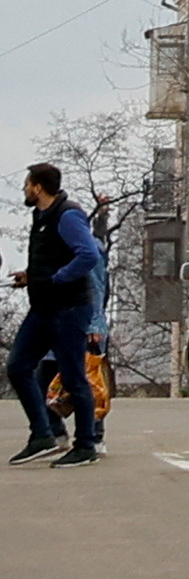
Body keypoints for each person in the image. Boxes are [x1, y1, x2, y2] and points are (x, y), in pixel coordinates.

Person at [7, 168, 101, 466]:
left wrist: (58, 278)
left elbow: (88, 255)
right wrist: (31, 276)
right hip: (44, 307)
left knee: (73, 377)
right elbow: (50, 260)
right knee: (18, 366)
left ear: (38, 187)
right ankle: (42, 435)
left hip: (69, 308)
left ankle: (86, 445)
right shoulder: (43, 216)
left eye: (26, 184)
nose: (24, 189)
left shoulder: (68, 215)